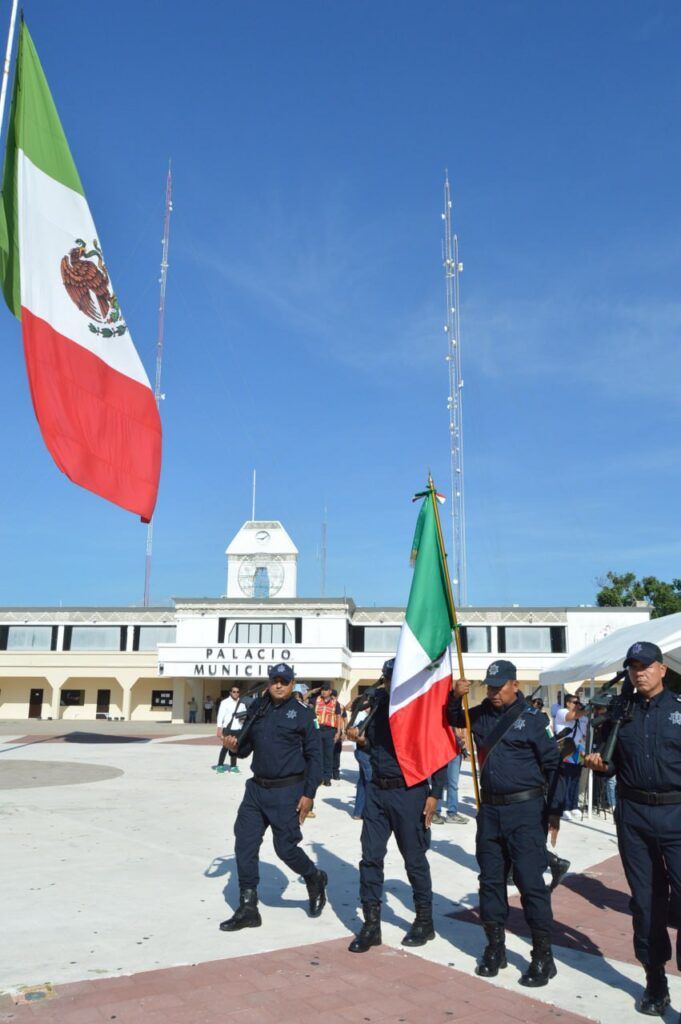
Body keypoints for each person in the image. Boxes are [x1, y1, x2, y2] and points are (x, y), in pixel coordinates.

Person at [448, 660, 563, 987]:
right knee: (490, 881)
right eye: (490, 687)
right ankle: (494, 947)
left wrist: (554, 810)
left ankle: (543, 956)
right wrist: (456, 697)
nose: (494, 692)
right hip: (490, 812)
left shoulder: (533, 721)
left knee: (530, 884)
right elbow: (454, 718)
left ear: (515, 685)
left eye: (499, 687)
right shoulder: (481, 713)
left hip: (526, 812)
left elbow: (553, 766)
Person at [584, 641, 681, 1016]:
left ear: (662, 669)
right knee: (645, 901)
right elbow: (609, 761)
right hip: (634, 815)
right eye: (632, 667)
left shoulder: (678, 710)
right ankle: (655, 980)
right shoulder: (619, 713)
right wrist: (598, 764)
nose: (638, 672)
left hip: (676, 813)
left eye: (645, 666)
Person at [346, 658, 447, 953]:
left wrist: (434, 794)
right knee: (370, 858)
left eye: (396, 678)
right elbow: (373, 745)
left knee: (414, 859)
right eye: (388, 678)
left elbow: (438, 751)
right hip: (377, 790)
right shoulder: (376, 707)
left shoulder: (419, 710)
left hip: (410, 791)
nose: (391, 683)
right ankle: (371, 924)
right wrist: (360, 739)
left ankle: (425, 921)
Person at [219, 663, 326, 932]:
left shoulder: (303, 714)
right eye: (274, 680)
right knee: (244, 844)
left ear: (292, 684)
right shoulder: (259, 708)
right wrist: (234, 747)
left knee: (285, 849)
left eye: (284, 681)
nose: (279, 685)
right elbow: (246, 749)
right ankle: (248, 907)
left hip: (287, 791)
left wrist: (309, 794)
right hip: (256, 790)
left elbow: (316, 757)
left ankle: (314, 878)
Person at [553, 694, 588, 818]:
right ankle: (564, 807)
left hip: (579, 748)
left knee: (575, 778)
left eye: (578, 702)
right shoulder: (562, 712)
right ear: (567, 703)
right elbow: (572, 716)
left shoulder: (583, 717)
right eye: (574, 702)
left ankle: (574, 805)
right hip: (566, 748)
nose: (577, 704)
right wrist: (587, 710)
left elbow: (585, 734)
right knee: (565, 779)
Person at [431, 731, 468, 825]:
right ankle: (435, 812)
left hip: (455, 751)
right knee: (440, 783)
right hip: (441, 750)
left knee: (453, 784)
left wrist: (462, 746)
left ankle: (452, 813)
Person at [311, 683, 342, 786]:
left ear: (330, 691)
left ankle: (327, 778)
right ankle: (319, 778)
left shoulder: (335, 703)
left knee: (328, 755)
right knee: (319, 755)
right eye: (322, 689)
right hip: (318, 730)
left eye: (326, 690)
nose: (323, 691)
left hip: (330, 731)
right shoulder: (316, 700)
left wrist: (338, 732)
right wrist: (312, 691)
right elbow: (302, 699)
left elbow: (338, 717)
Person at [214, 685, 248, 774]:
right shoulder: (225, 702)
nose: (236, 693)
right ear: (230, 692)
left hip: (238, 728)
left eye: (237, 692)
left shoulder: (242, 703)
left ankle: (233, 767)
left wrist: (243, 720)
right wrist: (219, 728)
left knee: (234, 747)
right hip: (227, 728)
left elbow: (244, 715)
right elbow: (220, 715)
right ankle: (220, 765)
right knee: (225, 747)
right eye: (234, 691)